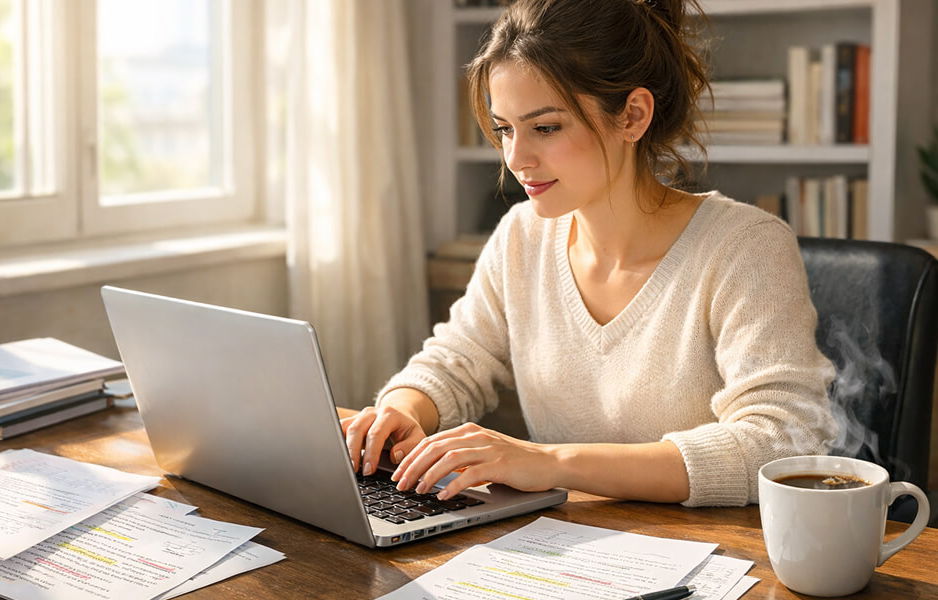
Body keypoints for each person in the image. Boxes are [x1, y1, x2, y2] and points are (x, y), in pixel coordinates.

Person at [342, 0, 837, 507]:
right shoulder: (521, 236)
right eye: (506, 129)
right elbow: (455, 362)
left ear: (633, 116)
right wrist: (403, 408)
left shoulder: (745, 248)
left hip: (717, 559)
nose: (516, 158)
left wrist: (552, 463)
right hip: (564, 549)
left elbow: (783, 441)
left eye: (546, 127)